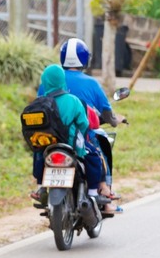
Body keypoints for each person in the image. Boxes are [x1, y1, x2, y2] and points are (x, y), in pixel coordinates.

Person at [59, 38, 127, 202]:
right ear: (84, 59)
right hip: (82, 133)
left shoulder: (51, 81)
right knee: (101, 149)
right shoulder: (91, 83)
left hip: (55, 132)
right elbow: (107, 114)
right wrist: (115, 120)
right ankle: (104, 189)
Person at [31, 64, 90, 200]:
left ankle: (41, 187)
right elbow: (84, 124)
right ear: (62, 80)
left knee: (38, 154)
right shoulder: (73, 101)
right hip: (71, 146)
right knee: (94, 157)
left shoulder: (40, 102)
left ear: (45, 81)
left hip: (47, 146)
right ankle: (93, 192)